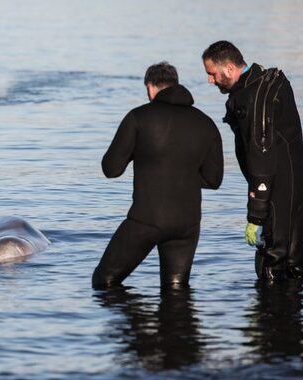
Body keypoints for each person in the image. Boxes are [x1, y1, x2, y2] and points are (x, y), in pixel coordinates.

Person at [92, 62, 223, 289]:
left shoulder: (138, 118)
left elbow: (111, 169)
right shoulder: (206, 124)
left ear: (150, 88)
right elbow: (214, 180)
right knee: (175, 291)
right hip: (188, 224)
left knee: (104, 282)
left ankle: (139, 323)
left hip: (147, 219)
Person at [202, 41, 303, 280]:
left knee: (273, 261)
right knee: (294, 261)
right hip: (293, 187)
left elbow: (262, 154)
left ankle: (266, 314)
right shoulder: (266, 83)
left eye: (212, 74)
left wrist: (255, 216)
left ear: (228, 68)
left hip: (275, 191)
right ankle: (289, 314)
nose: (210, 80)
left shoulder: (254, 99)